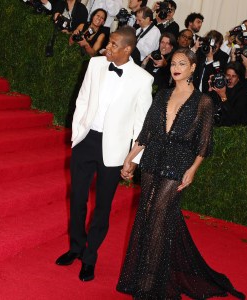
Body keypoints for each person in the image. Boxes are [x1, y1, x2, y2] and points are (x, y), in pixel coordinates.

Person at [116, 48, 245, 300]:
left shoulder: (203, 102)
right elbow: (146, 134)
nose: (176, 67)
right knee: (147, 216)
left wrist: (193, 171)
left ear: (193, 67)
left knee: (159, 217)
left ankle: (151, 285)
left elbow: (205, 143)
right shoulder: (162, 95)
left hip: (178, 165)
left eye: (182, 63)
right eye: (173, 63)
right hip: (153, 162)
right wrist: (128, 160)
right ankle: (143, 278)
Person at [55, 26, 154, 282]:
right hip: (87, 140)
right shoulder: (96, 65)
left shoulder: (143, 79)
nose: (106, 47)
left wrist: (132, 159)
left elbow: (142, 124)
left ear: (127, 49)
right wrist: (78, 134)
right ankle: (76, 247)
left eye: (112, 44)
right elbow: (83, 100)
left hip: (115, 150)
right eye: (108, 43)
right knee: (77, 198)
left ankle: (90, 257)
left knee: (102, 207)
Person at [209, 61, 247, 126]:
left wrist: (223, 97)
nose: (230, 79)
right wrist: (210, 89)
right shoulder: (219, 85)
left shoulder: (243, 92)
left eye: (234, 76)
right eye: (228, 75)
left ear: (238, 78)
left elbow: (234, 118)